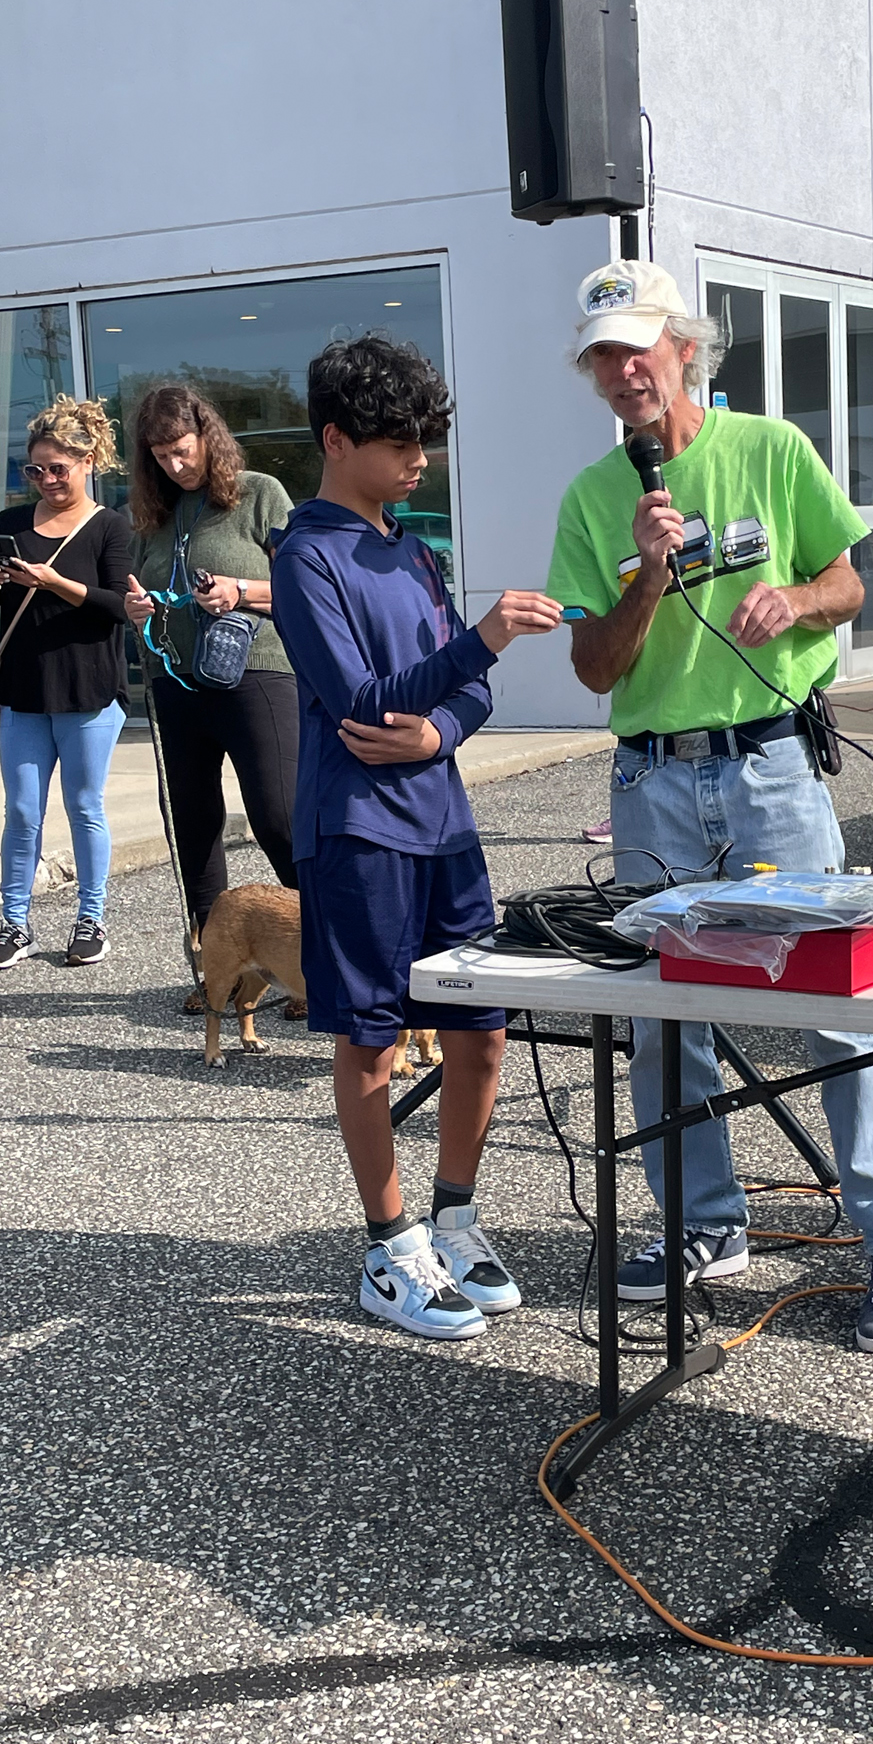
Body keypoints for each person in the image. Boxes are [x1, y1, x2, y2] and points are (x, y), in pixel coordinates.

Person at [546, 260, 873, 1354]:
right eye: (604, 357)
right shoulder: (594, 497)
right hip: (653, 780)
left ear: (684, 348)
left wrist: (799, 598)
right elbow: (592, 667)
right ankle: (704, 1224)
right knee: (664, 1019)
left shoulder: (771, 449)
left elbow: (850, 584)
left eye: (638, 349)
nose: (624, 372)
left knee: (837, 1002)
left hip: (770, 769)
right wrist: (647, 575)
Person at [271, 336, 562, 1341]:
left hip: (443, 821)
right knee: (372, 1038)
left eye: (424, 442)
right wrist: (479, 643)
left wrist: (440, 731)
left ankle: (455, 1220)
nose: (419, 461)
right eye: (399, 443)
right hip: (355, 831)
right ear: (335, 439)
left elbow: (462, 697)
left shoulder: (415, 550)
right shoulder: (304, 556)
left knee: (484, 1029)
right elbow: (360, 701)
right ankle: (390, 1246)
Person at [122, 385, 299, 974]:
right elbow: (141, 590)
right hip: (176, 681)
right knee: (192, 826)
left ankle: (319, 955)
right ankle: (213, 968)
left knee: (279, 818)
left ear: (207, 435)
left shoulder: (259, 494)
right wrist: (139, 609)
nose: (175, 465)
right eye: (161, 456)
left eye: (182, 449)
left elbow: (308, 587)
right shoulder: (154, 516)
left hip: (256, 673)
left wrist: (240, 590)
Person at [0, 396, 133, 971]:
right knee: (20, 812)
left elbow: (118, 606)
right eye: (34, 470)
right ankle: (15, 924)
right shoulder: (9, 524)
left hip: (89, 691)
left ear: (88, 461)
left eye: (57, 468)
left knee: (85, 806)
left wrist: (54, 582)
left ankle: (92, 918)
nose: (46, 480)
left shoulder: (110, 526)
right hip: (23, 691)